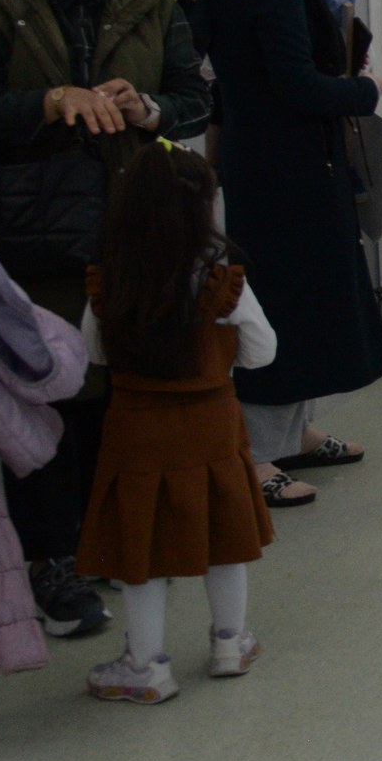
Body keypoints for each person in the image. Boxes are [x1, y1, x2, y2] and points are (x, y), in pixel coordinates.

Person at [0, 0, 211, 635]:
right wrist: (52, 100)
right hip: (36, 231)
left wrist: (148, 109)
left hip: (133, 223)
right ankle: (48, 561)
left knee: (120, 390)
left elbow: (196, 100)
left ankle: (105, 541)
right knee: (46, 392)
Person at [177, 0, 382, 506]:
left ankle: (292, 431)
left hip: (266, 162)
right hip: (287, 169)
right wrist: (363, 91)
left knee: (300, 299)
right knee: (283, 304)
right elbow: (295, 84)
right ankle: (256, 451)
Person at [71, 145, 277, 705]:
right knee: (225, 537)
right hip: (212, 427)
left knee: (141, 548)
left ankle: (145, 666)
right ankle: (230, 643)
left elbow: (93, 353)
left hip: (136, 431)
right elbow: (263, 351)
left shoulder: (109, 279)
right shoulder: (221, 279)